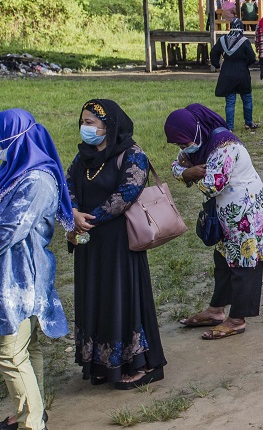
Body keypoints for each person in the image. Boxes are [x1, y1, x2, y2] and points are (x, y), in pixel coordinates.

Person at [67, 101, 167, 390]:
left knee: (120, 297)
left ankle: (142, 364)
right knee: (94, 297)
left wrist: (91, 218)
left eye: (91, 122)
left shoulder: (132, 155)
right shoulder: (83, 156)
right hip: (89, 242)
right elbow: (68, 183)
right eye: (83, 121)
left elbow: (128, 193)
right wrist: (73, 213)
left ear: (109, 126)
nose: (86, 128)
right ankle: (101, 364)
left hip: (119, 243)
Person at [167, 105, 263, 339]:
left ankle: (237, 319)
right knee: (223, 259)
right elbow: (177, 165)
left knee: (245, 261)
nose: (183, 149)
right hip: (225, 212)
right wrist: (186, 171)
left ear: (195, 130)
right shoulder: (198, 140)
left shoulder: (225, 145)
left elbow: (212, 185)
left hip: (246, 210)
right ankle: (216, 310)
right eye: (179, 145)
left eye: (184, 143)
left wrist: (189, 173)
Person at [1, 109, 71, 427]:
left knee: (10, 353)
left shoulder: (37, 180)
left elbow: (8, 230)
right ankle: (32, 412)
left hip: (20, 281)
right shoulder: (17, 172)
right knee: (27, 349)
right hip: (16, 275)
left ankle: (33, 422)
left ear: (16, 141)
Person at [211, 8, 258, 132]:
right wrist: (245, 64)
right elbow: (252, 58)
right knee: (247, 98)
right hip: (242, 73)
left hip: (227, 72)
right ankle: (248, 123)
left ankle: (229, 127)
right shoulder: (244, 41)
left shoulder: (222, 40)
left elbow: (214, 53)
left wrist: (216, 65)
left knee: (230, 101)